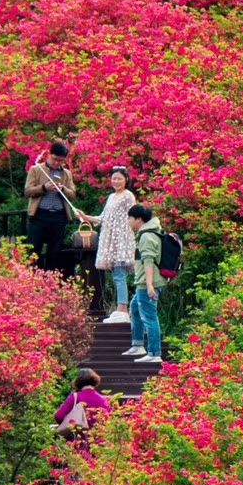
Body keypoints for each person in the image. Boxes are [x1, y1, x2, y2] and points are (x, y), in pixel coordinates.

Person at [78, 167, 136, 323]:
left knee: (119, 275)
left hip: (121, 239)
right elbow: (102, 218)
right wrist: (85, 217)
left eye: (119, 178)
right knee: (117, 275)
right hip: (110, 240)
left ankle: (123, 309)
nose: (116, 181)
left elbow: (133, 217)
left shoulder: (128, 196)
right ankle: (121, 308)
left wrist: (125, 237)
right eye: (114, 178)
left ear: (126, 180)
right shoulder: (111, 197)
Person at [24, 140, 79, 272]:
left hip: (59, 217)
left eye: (61, 160)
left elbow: (72, 194)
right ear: (49, 154)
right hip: (39, 216)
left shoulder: (66, 173)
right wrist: (44, 187)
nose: (57, 163)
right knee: (33, 250)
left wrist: (63, 189)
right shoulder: (36, 170)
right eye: (55, 159)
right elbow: (27, 191)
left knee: (54, 252)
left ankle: (50, 281)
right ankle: (31, 281)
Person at [121, 204, 165, 364]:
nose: (129, 221)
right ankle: (138, 344)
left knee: (149, 317)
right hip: (145, 282)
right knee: (135, 309)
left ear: (138, 219)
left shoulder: (146, 236)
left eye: (130, 218)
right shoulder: (150, 232)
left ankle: (154, 353)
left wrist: (149, 285)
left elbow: (148, 261)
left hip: (147, 283)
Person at [53, 368, 110, 440]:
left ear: (78, 381)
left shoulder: (75, 397)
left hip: (78, 440)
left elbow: (59, 416)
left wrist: (68, 423)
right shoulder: (104, 400)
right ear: (95, 380)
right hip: (98, 441)